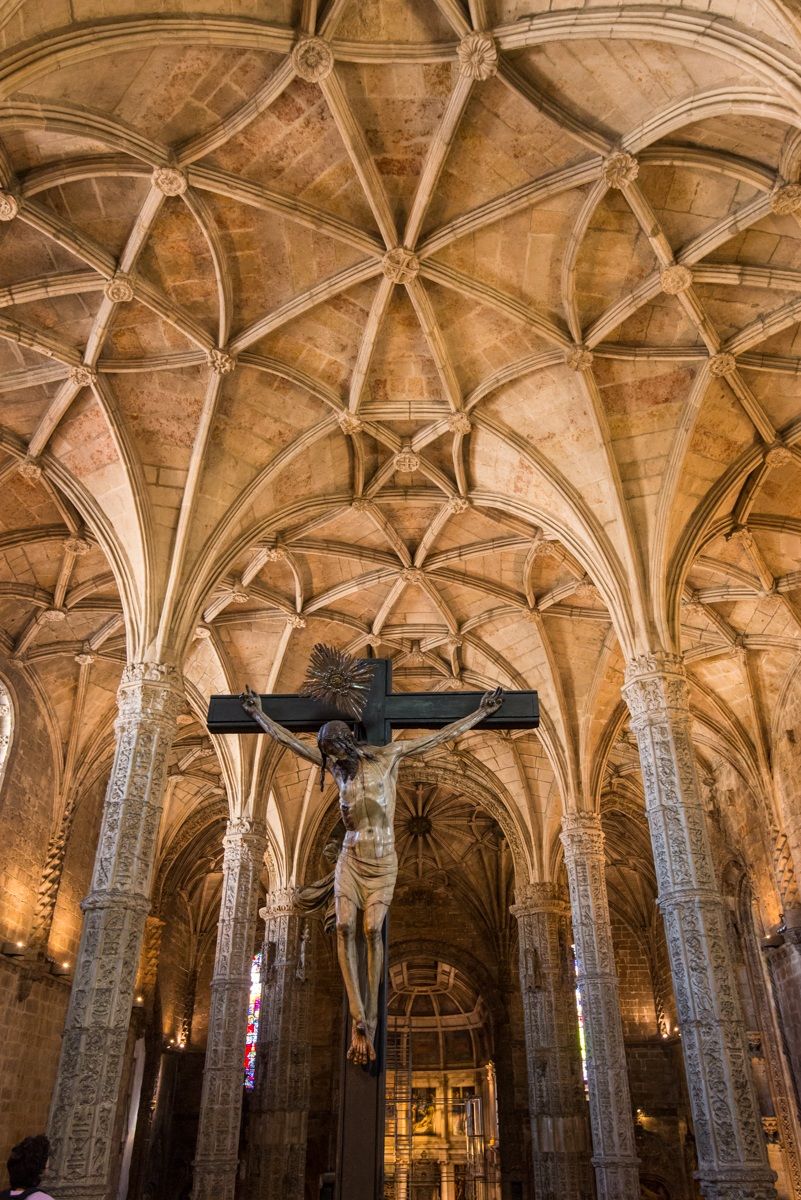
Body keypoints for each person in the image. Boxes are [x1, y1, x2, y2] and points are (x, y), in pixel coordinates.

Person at [240, 684, 503, 1066]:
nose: (330, 758)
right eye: (327, 754)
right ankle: (358, 1018)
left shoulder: (387, 756)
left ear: (347, 741)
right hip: (350, 856)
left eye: (333, 750)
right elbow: (291, 743)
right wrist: (259, 715)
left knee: (371, 931)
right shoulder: (336, 769)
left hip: (382, 863)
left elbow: (441, 737)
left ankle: (373, 1018)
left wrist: (480, 714)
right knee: (345, 928)